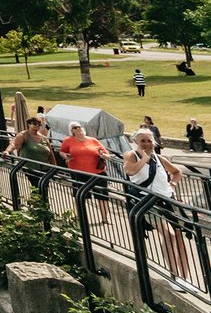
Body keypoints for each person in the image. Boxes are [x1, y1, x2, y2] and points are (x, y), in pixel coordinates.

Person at [123, 127, 193, 292]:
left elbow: (177, 172)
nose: (147, 144)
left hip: (167, 200)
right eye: (143, 141)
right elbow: (130, 170)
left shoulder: (160, 159)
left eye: (149, 141)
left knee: (178, 235)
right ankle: (174, 276)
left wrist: (173, 183)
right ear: (136, 143)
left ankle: (185, 278)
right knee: (168, 234)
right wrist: (144, 159)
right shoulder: (131, 156)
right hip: (148, 202)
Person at [59, 121, 113, 224]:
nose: (78, 129)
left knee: (102, 196)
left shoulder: (93, 140)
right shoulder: (68, 140)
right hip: (78, 173)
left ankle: (105, 218)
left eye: (79, 127)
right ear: (72, 130)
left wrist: (103, 156)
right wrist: (65, 156)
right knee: (80, 195)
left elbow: (107, 154)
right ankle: (81, 218)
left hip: (98, 173)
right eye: (75, 127)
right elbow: (62, 151)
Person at [5, 117, 58, 183]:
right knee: (37, 186)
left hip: (45, 168)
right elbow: (14, 144)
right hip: (31, 168)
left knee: (44, 187)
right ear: (29, 124)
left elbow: (51, 154)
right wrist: (7, 151)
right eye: (34, 124)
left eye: (39, 124)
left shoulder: (44, 138)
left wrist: (54, 168)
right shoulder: (24, 135)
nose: (37, 125)